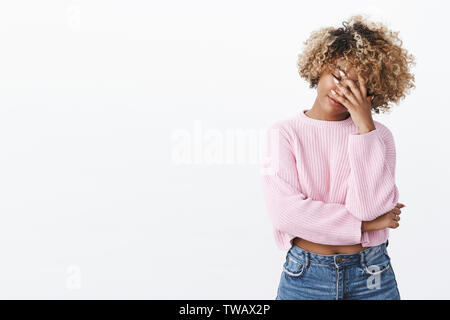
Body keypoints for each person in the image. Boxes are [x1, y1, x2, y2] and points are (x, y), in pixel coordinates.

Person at [260, 14, 415, 300]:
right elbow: (286, 214)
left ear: (372, 94)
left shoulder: (378, 136)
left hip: (372, 275)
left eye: (357, 85)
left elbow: (368, 207)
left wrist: (364, 128)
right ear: (320, 66)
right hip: (305, 276)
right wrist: (365, 226)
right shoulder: (283, 133)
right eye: (338, 74)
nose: (342, 89)